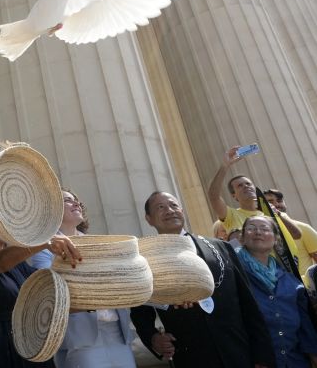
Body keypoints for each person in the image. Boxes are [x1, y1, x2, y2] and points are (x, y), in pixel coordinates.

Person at [131, 191, 275, 368]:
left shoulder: (220, 247)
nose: (169, 211)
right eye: (160, 207)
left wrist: (262, 356)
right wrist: (152, 338)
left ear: (182, 211)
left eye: (174, 205)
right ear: (149, 219)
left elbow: (248, 303)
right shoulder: (145, 259)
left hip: (239, 352)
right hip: (191, 355)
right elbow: (139, 310)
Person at [0, 218, 79, 367]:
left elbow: (52, 301)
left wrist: (95, 300)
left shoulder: (22, 267)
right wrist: (44, 241)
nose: (1, 227)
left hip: (31, 346)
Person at [30, 189, 135, 368]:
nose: (76, 203)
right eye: (67, 201)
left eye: (76, 200)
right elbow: (52, 289)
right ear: (52, 209)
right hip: (79, 339)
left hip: (117, 334)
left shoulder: (99, 244)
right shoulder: (43, 249)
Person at [237, 215, 317, 367]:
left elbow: (305, 327)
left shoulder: (290, 281)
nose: (258, 232)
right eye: (251, 228)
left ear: (275, 239)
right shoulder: (234, 274)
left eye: (264, 229)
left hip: (295, 361)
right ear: (242, 238)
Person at [207, 145, 300, 273]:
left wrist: (277, 215)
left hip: (286, 271)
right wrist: (225, 166)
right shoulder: (231, 215)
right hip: (256, 274)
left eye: (248, 184)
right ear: (234, 195)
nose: (246, 187)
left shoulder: (269, 212)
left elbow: (297, 235)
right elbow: (213, 196)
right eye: (240, 186)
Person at [264, 189, 317, 279]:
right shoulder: (259, 234)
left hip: (307, 287)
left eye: (279, 201)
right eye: (270, 202)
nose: (276, 205)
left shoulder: (303, 228)